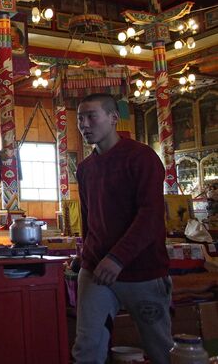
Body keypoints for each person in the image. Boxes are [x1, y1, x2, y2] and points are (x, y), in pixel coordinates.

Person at [72, 93, 173, 364]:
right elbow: (88, 218)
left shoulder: (141, 158)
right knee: (87, 347)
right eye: (80, 118)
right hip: (95, 270)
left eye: (91, 116)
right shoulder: (85, 169)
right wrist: (85, 256)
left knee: (159, 346)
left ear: (114, 118)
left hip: (142, 269)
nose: (84, 124)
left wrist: (117, 258)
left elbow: (151, 216)